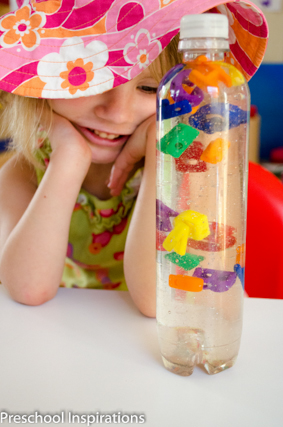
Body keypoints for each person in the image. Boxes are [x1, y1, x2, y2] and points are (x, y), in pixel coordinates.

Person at [0, 0, 268, 316]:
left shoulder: (194, 168)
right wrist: (68, 159)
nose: (117, 113)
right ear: (43, 85)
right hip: (74, 331)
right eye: (95, 79)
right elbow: (29, 289)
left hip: (176, 335)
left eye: (149, 88)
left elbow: (160, 300)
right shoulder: (28, 168)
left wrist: (161, 150)